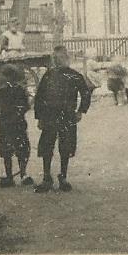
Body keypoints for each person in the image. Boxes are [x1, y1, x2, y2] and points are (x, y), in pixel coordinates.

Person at [32, 45, 92, 193]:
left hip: (67, 115)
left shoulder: (75, 75)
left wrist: (81, 111)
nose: (58, 61)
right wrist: (39, 117)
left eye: (60, 58)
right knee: (47, 146)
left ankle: (63, 177)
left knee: (66, 146)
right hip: (49, 115)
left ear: (66, 58)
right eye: (55, 58)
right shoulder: (48, 75)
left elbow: (86, 93)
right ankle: (46, 178)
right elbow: (39, 97)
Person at [0, 64, 33, 188]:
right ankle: (22, 175)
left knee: (8, 151)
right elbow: (26, 106)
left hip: (7, 124)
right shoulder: (19, 90)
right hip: (17, 123)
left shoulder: (1, 91)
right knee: (20, 149)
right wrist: (18, 114)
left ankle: (10, 176)